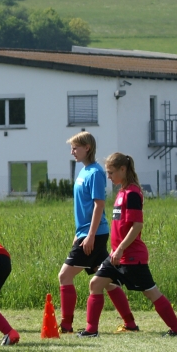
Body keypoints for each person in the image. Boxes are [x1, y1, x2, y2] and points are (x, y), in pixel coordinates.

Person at [81, 153, 177, 337]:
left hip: (131, 256)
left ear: (123, 169)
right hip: (116, 256)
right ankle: (91, 330)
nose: (108, 176)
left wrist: (121, 248)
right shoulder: (122, 192)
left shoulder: (132, 194)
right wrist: (116, 249)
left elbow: (137, 225)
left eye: (111, 172)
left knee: (151, 293)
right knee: (95, 283)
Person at [58, 131, 117, 334]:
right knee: (107, 279)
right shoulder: (83, 171)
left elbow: (99, 204)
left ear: (87, 148)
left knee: (64, 276)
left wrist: (90, 235)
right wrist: (79, 232)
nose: (72, 151)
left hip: (94, 234)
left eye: (75, 147)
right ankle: (130, 322)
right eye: (72, 148)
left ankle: (66, 325)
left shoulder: (96, 172)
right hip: (86, 232)